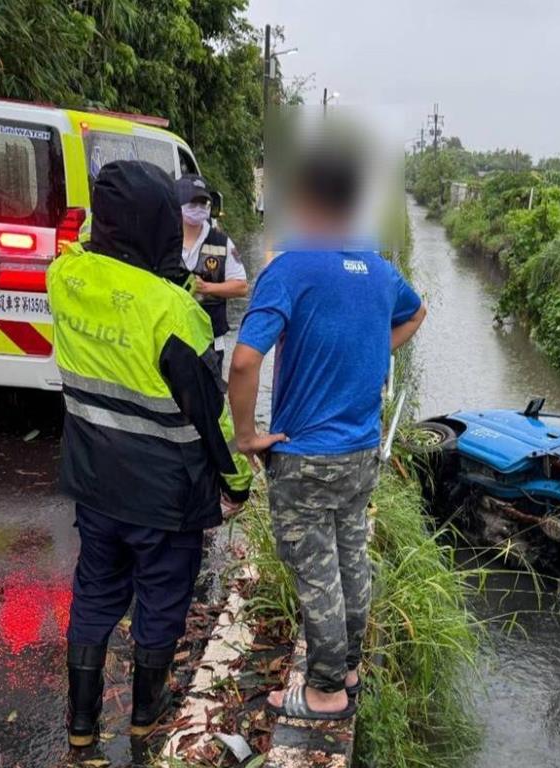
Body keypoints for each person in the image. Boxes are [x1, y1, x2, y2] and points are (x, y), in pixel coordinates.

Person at [49, 160, 252, 747]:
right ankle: (146, 713)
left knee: (94, 591)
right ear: (162, 225)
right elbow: (209, 414)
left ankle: (82, 727)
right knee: (162, 597)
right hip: (165, 494)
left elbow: (88, 259)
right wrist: (236, 482)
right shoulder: (175, 312)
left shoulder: (66, 279)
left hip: (94, 479)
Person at [228, 140, 426, 720]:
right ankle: (351, 665)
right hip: (361, 451)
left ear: (305, 197)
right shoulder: (378, 270)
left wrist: (247, 437)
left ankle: (325, 690)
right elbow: (416, 313)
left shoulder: (289, 267)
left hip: (304, 455)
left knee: (317, 574)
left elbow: (243, 361)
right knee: (350, 559)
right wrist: (370, 355)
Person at [178, 174, 248, 373]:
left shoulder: (222, 242)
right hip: (171, 337)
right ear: (178, 203)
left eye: (203, 203)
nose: (199, 208)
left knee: (209, 400)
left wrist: (207, 288)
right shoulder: (165, 240)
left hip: (210, 341)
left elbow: (241, 286)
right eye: (193, 203)